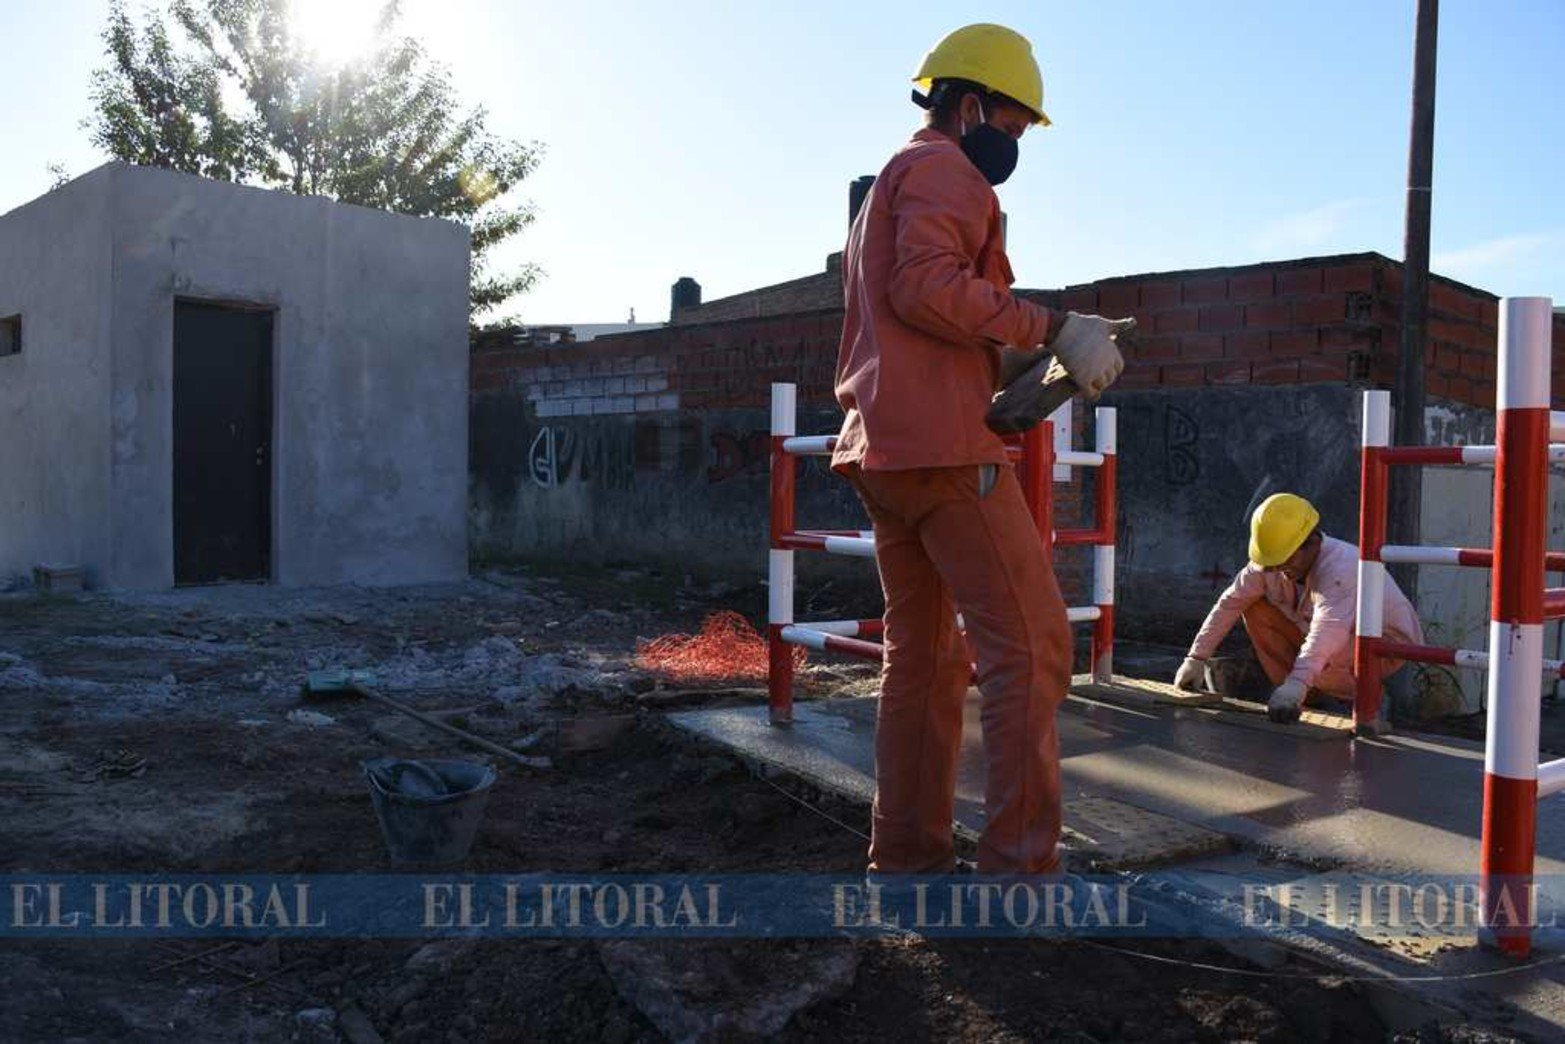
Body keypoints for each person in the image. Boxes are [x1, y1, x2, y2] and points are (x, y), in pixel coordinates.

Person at [830, 23, 1132, 875]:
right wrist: (1053, 325)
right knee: (1033, 650)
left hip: (886, 453)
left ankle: (907, 857)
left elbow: (912, 312)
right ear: (969, 108)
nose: (1018, 144)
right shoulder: (947, 170)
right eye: (1016, 123)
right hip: (946, 458)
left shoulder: (897, 177)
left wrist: (1024, 369)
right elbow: (927, 287)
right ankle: (1019, 874)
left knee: (923, 662)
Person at [1174, 492, 1424, 723]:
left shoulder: (1341, 567)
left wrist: (1297, 682)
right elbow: (1229, 604)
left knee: (1326, 646)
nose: (1280, 570)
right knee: (1255, 609)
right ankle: (1303, 696)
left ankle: (1360, 698)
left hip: (1382, 645)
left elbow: (1328, 632)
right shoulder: (1269, 563)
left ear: (1313, 542)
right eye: (1273, 564)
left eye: (1287, 561)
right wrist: (1196, 658)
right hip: (1329, 635)